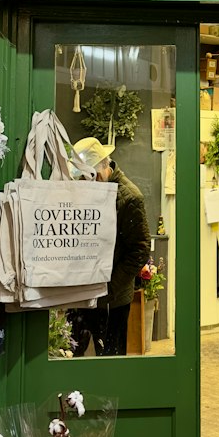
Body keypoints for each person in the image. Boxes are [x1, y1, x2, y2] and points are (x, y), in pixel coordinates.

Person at [68, 137, 150, 356]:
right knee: (73, 353)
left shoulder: (130, 197)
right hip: (83, 293)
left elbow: (140, 250)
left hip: (112, 300)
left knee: (111, 356)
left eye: (86, 178)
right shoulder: (90, 191)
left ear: (101, 171)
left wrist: (110, 288)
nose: (83, 184)